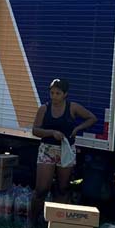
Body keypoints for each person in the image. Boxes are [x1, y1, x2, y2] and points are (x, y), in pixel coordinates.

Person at [31, 79, 98, 216]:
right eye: (52, 93)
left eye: (58, 93)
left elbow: (92, 118)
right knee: (42, 189)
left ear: (65, 94)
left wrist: (77, 128)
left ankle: (56, 220)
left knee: (63, 187)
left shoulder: (72, 107)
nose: (54, 96)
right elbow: (35, 130)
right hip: (47, 150)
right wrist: (51, 133)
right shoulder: (44, 109)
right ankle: (32, 220)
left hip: (66, 151)